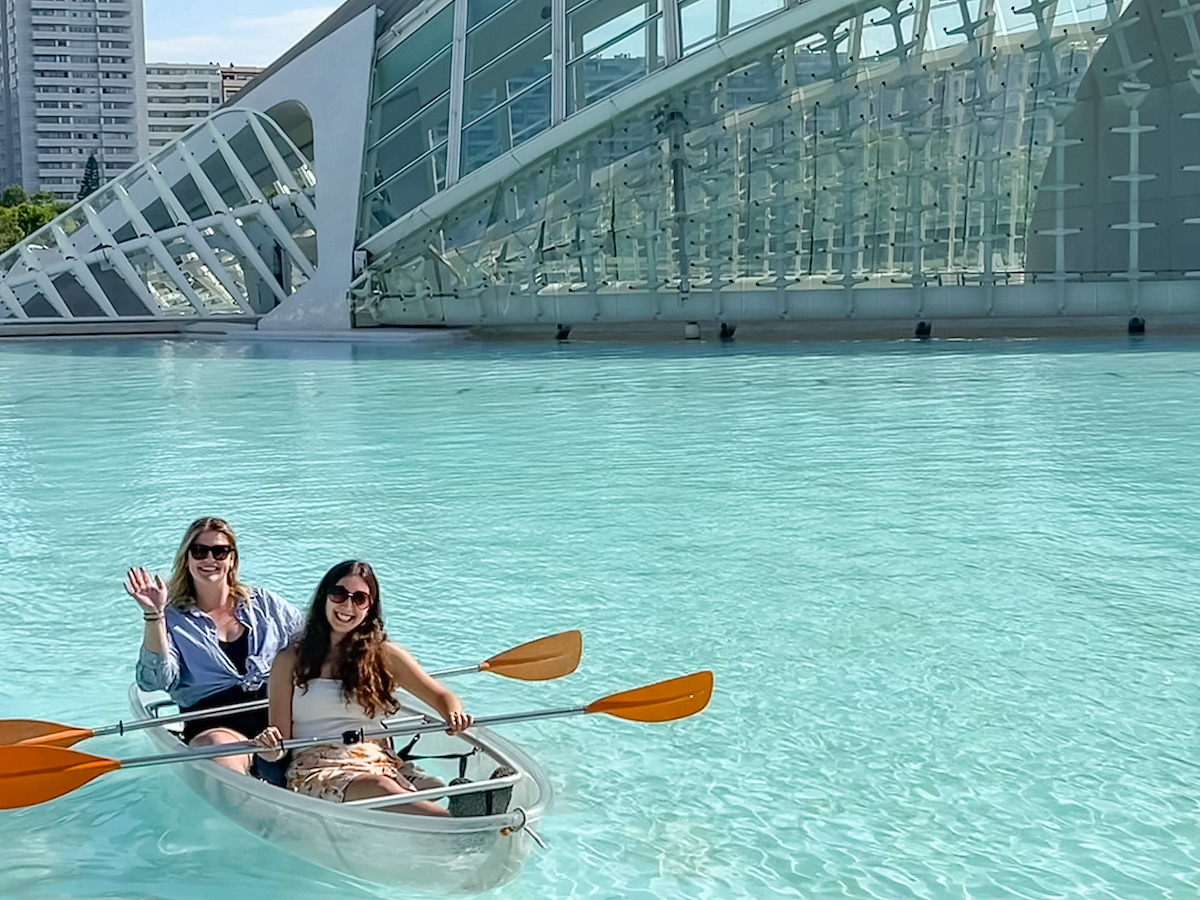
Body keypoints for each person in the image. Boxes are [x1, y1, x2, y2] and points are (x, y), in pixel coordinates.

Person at [252, 560, 513, 816]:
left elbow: (441, 695)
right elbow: (280, 742)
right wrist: (270, 747)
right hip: (315, 766)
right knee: (381, 787)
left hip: (375, 759)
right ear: (325, 598)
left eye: (359, 598)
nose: (348, 605)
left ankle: (466, 814)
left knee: (427, 785)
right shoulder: (289, 660)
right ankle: (457, 825)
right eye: (339, 594)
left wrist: (453, 713)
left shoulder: (385, 656)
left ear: (370, 607)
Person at [128, 516, 304, 774]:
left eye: (220, 552)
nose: (209, 559)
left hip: (276, 720)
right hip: (213, 725)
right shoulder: (172, 618)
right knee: (221, 750)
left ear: (232, 559)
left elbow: (313, 642)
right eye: (199, 551)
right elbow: (155, 681)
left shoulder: (264, 604)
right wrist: (154, 615)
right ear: (186, 559)